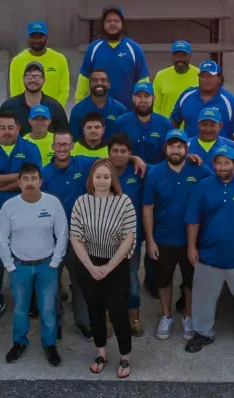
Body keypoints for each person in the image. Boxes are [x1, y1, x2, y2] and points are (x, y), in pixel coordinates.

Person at [183, 145, 234, 357]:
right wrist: (192, 247)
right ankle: (203, 333)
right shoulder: (202, 187)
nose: (222, 167)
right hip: (208, 257)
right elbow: (193, 220)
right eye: (218, 163)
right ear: (214, 165)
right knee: (203, 299)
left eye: (226, 162)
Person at [69, 158, 138, 379]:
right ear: (91, 179)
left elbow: (128, 238)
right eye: (98, 176)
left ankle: (125, 355)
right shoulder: (81, 202)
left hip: (115, 264)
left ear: (112, 179)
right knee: (95, 310)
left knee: (118, 312)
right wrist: (90, 267)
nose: (101, 180)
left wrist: (108, 266)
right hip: (88, 264)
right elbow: (76, 237)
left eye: (106, 177)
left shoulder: (124, 202)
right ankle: (101, 352)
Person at [141, 129, 212, 341]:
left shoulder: (198, 169)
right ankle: (167, 316)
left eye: (180, 146)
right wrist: (150, 240)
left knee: (190, 281)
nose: (176, 149)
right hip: (163, 239)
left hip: (191, 241)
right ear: (165, 148)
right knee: (163, 281)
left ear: (186, 149)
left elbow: (218, 178)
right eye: (172, 146)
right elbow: (147, 208)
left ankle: (188, 317)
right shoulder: (154, 173)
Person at [0, 111, 43, 322]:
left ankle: (30, 298)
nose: (6, 132)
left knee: (27, 257)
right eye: (2, 128)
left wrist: (1, 182)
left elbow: (32, 182)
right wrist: (18, 178)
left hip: (25, 215)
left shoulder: (30, 149)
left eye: (10, 127)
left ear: (18, 129)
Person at [0, 163, 67, 366]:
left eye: (33, 178)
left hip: (47, 266)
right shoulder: (9, 207)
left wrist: (55, 262)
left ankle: (49, 344)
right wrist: (9, 265)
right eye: (25, 179)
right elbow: (2, 238)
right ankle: (19, 342)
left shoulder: (52, 203)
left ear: (41, 181)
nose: (29, 183)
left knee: (47, 309)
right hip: (20, 267)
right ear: (19, 182)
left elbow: (62, 234)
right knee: (20, 308)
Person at [41, 130, 99, 340]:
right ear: (53, 147)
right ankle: (55, 322)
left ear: (73, 145)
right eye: (59, 145)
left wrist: (134, 158)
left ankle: (82, 322)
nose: (62, 148)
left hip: (79, 237)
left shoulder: (83, 164)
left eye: (66, 144)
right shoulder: (45, 174)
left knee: (81, 282)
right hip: (53, 238)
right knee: (52, 284)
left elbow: (112, 161)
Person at [106, 135, 145, 337]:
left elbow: (166, 166)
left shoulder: (139, 172)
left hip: (131, 239)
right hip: (104, 239)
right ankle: (107, 316)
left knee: (131, 279)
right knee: (106, 277)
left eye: (124, 152)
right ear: (108, 153)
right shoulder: (100, 172)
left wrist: (135, 160)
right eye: (115, 151)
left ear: (130, 153)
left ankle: (133, 316)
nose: (119, 155)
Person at [76, 5, 149, 110]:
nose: (112, 24)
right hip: (98, 115)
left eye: (116, 21)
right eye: (108, 21)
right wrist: (79, 106)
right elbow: (83, 80)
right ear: (103, 24)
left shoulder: (134, 49)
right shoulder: (93, 49)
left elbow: (143, 82)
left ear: (122, 24)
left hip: (128, 113)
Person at [170, 60, 234, 144]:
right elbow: (174, 121)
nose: (207, 80)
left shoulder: (232, 102)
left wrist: (228, 154)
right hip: (190, 153)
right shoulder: (186, 96)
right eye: (203, 76)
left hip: (218, 153)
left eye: (211, 76)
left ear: (219, 79)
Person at [186, 107, 234, 190]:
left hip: (222, 195)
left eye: (212, 125)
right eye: (204, 124)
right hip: (192, 194)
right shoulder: (185, 145)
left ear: (220, 125)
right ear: (198, 124)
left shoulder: (230, 145)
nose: (208, 129)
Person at [0, 61, 71, 135]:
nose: (33, 80)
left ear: (44, 80)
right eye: (29, 76)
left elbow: (64, 136)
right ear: (23, 79)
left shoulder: (55, 107)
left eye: (37, 77)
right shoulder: (8, 106)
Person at [113, 81, 175, 167]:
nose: (143, 100)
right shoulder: (121, 122)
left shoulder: (164, 124)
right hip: (128, 175)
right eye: (139, 96)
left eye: (147, 96)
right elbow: (113, 153)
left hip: (156, 174)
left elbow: (172, 151)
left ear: (154, 98)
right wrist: (134, 159)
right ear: (133, 98)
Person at [9, 20, 70, 105]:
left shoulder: (60, 59)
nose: (37, 40)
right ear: (29, 38)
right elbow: (14, 93)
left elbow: (64, 90)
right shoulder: (17, 61)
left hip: (51, 112)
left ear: (46, 37)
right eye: (34, 37)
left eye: (40, 36)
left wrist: (54, 110)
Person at [68, 69, 127, 136]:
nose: (99, 83)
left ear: (109, 85)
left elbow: (123, 139)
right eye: (95, 80)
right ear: (89, 85)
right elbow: (73, 141)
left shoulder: (120, 109)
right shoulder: (77, 110)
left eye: (103, 80)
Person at [152, 41, 199, 118]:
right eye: (176, 55)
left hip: (192, 128)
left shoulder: (200, 75)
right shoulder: (161, 76)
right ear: (171, 56)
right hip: (168, 127)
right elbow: (155, 106)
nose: (180, 59)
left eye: (183, 55)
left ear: (190, 56)